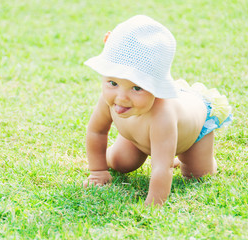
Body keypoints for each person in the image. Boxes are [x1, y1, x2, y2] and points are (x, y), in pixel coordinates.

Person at [83, 15, 233, 206]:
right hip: (139, 139)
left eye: (137, 88)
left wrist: (154, 204)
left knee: (197, 174)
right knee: (121, 162)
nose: (121, 97)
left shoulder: (162, 115)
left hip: (193, 132)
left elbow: (162, 167)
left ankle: (186, 158)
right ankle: (148, 151)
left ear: (156, 88)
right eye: (113, 83)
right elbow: (96, 131)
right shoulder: (109, 100)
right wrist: (97, 172)